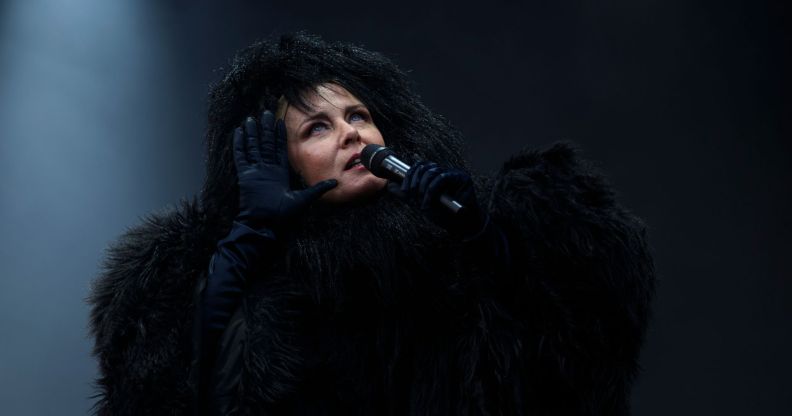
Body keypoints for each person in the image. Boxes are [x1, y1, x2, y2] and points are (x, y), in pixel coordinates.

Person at [88, 32, 655, 415]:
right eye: (316, 128)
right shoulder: (228, 275)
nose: (353, 133)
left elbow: (565, 380)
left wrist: (483, 238)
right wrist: (249, 241)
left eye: (358, 115)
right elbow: (179, 395)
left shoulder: (453, 243)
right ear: (275, 165)